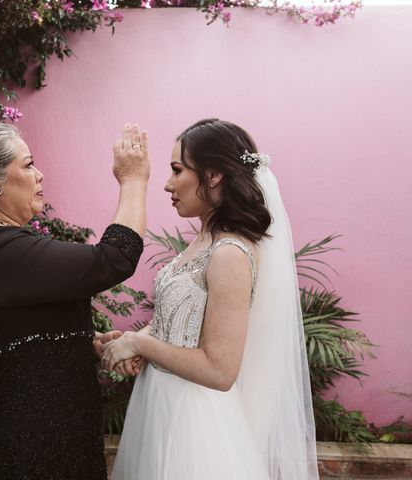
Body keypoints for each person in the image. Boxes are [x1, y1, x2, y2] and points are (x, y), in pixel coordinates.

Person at [0, 121, 149, 479]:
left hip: (39, 439)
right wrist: (134, 179)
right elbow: (114, 259)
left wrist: (84, 345)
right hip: (31, 449)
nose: (40, 175)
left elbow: (11, 341)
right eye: (28, 165)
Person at [102, 119, 319, 480]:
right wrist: (131, 342)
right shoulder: (203, 241)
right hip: (160, 406)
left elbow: (219, 371)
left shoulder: (230, 252)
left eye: (177, 170)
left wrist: (140, 341)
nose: (169, 184)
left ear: (214, 174)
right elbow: (184, 325)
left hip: (194, 422)